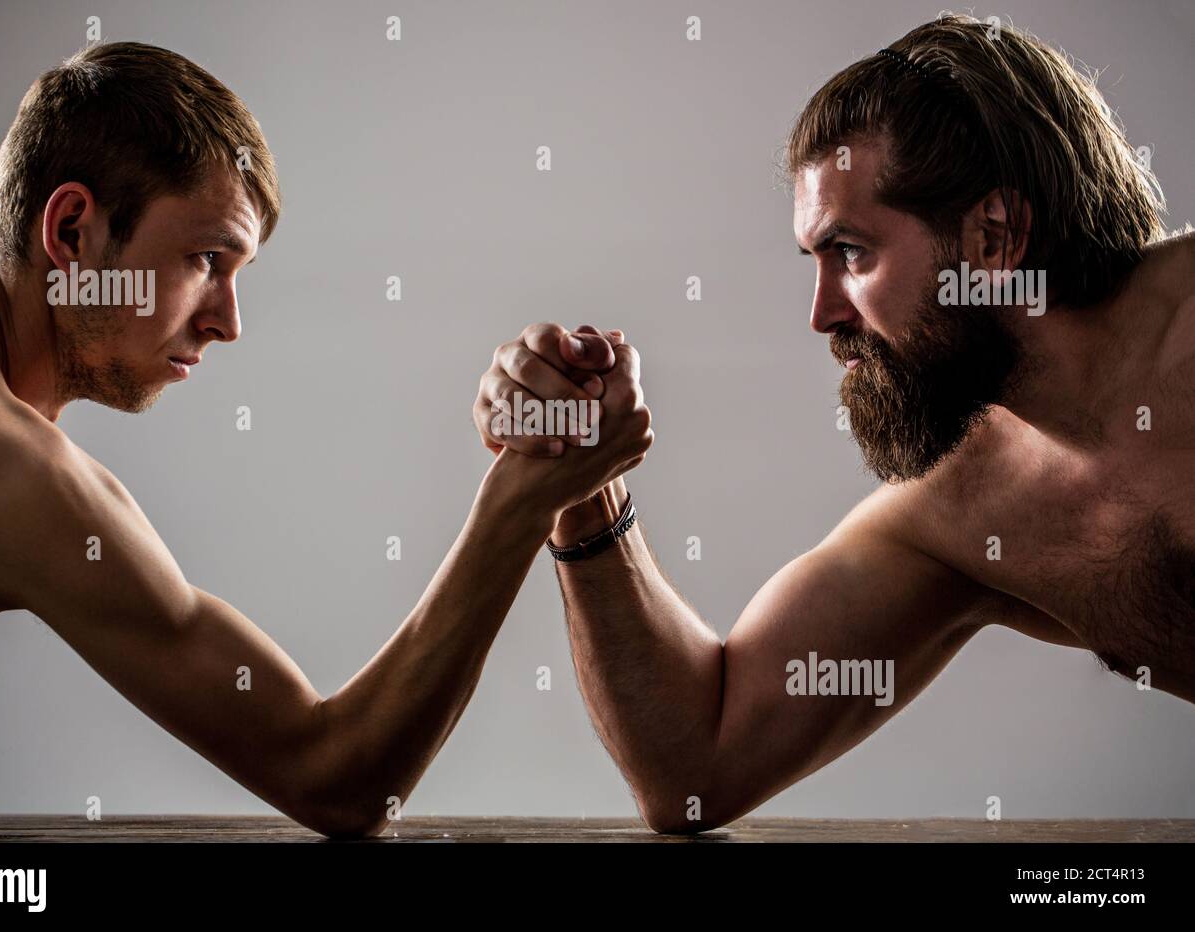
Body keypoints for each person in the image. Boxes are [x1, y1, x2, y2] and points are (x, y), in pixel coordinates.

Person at [0, 41, 653, 837]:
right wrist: (519, 503)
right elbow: (335, 777)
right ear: (74, 231)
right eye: (204, 259)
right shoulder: (3, 469)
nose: (227, 321)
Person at [473, 14, 1193, 834]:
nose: (821, 316)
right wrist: (583, 481)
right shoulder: (960, 511)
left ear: (994, 237)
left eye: (850, 252)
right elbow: (696, 767)